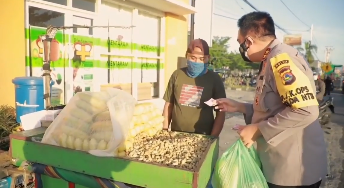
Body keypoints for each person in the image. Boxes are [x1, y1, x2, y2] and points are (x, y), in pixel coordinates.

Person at [215, 12, 327, 188]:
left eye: (239, 43)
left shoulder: (281, 59)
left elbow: (306, 110)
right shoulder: (270, 59)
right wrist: (241, 107)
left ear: (249, 41)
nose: (240, 49)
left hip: (292, 173)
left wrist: (257, 129)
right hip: (279, 164)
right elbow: (273, 108)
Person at [162, 38, 226, 136]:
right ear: (186, 56)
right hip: (176, 135)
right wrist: (164, 131)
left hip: (203, 137)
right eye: (193, 58)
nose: (197, 62)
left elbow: (221, 113)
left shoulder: (214, 79)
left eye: (202, 59)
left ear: (208, 58)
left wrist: (212, 138)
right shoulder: (177, 75)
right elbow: (169, 105)